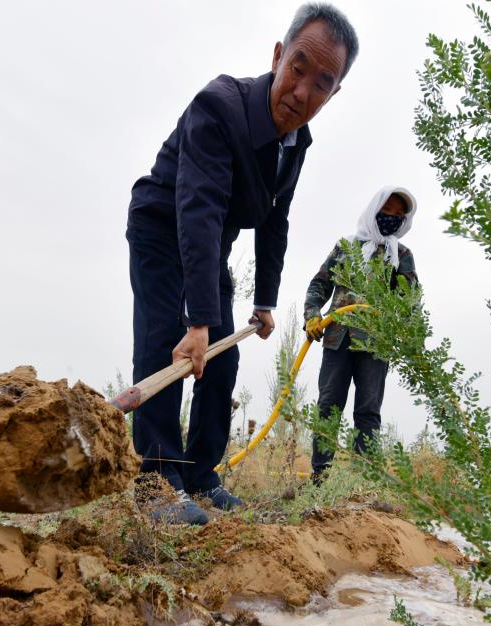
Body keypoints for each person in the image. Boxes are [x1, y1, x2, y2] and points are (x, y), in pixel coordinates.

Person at [126, 4, 359, 525]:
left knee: (222, 360)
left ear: (334, 92)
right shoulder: (219, 105)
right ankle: (157, 479)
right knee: (168, 339)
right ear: (278, 57)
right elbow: (199, 208)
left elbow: (275, 222)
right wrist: (199, 321)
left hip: (211, 242)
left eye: (322, 83)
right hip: (164, 224)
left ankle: (202, 474)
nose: (301, 93)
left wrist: (264, 302)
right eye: (297, 69)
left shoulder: (296, 142)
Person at [303, 186, 419, 482]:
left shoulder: (401, 256)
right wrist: (312, 315)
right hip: (337, 339)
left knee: (368, 411)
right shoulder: (346, 248)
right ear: (374, 210)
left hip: (376, 344)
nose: (391, 218)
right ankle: (320, 478)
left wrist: (409, 335)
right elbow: (319, 285)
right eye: (386, 212)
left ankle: (362, 482)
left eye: (398, 215)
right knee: (328, 406)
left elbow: (410, 301)